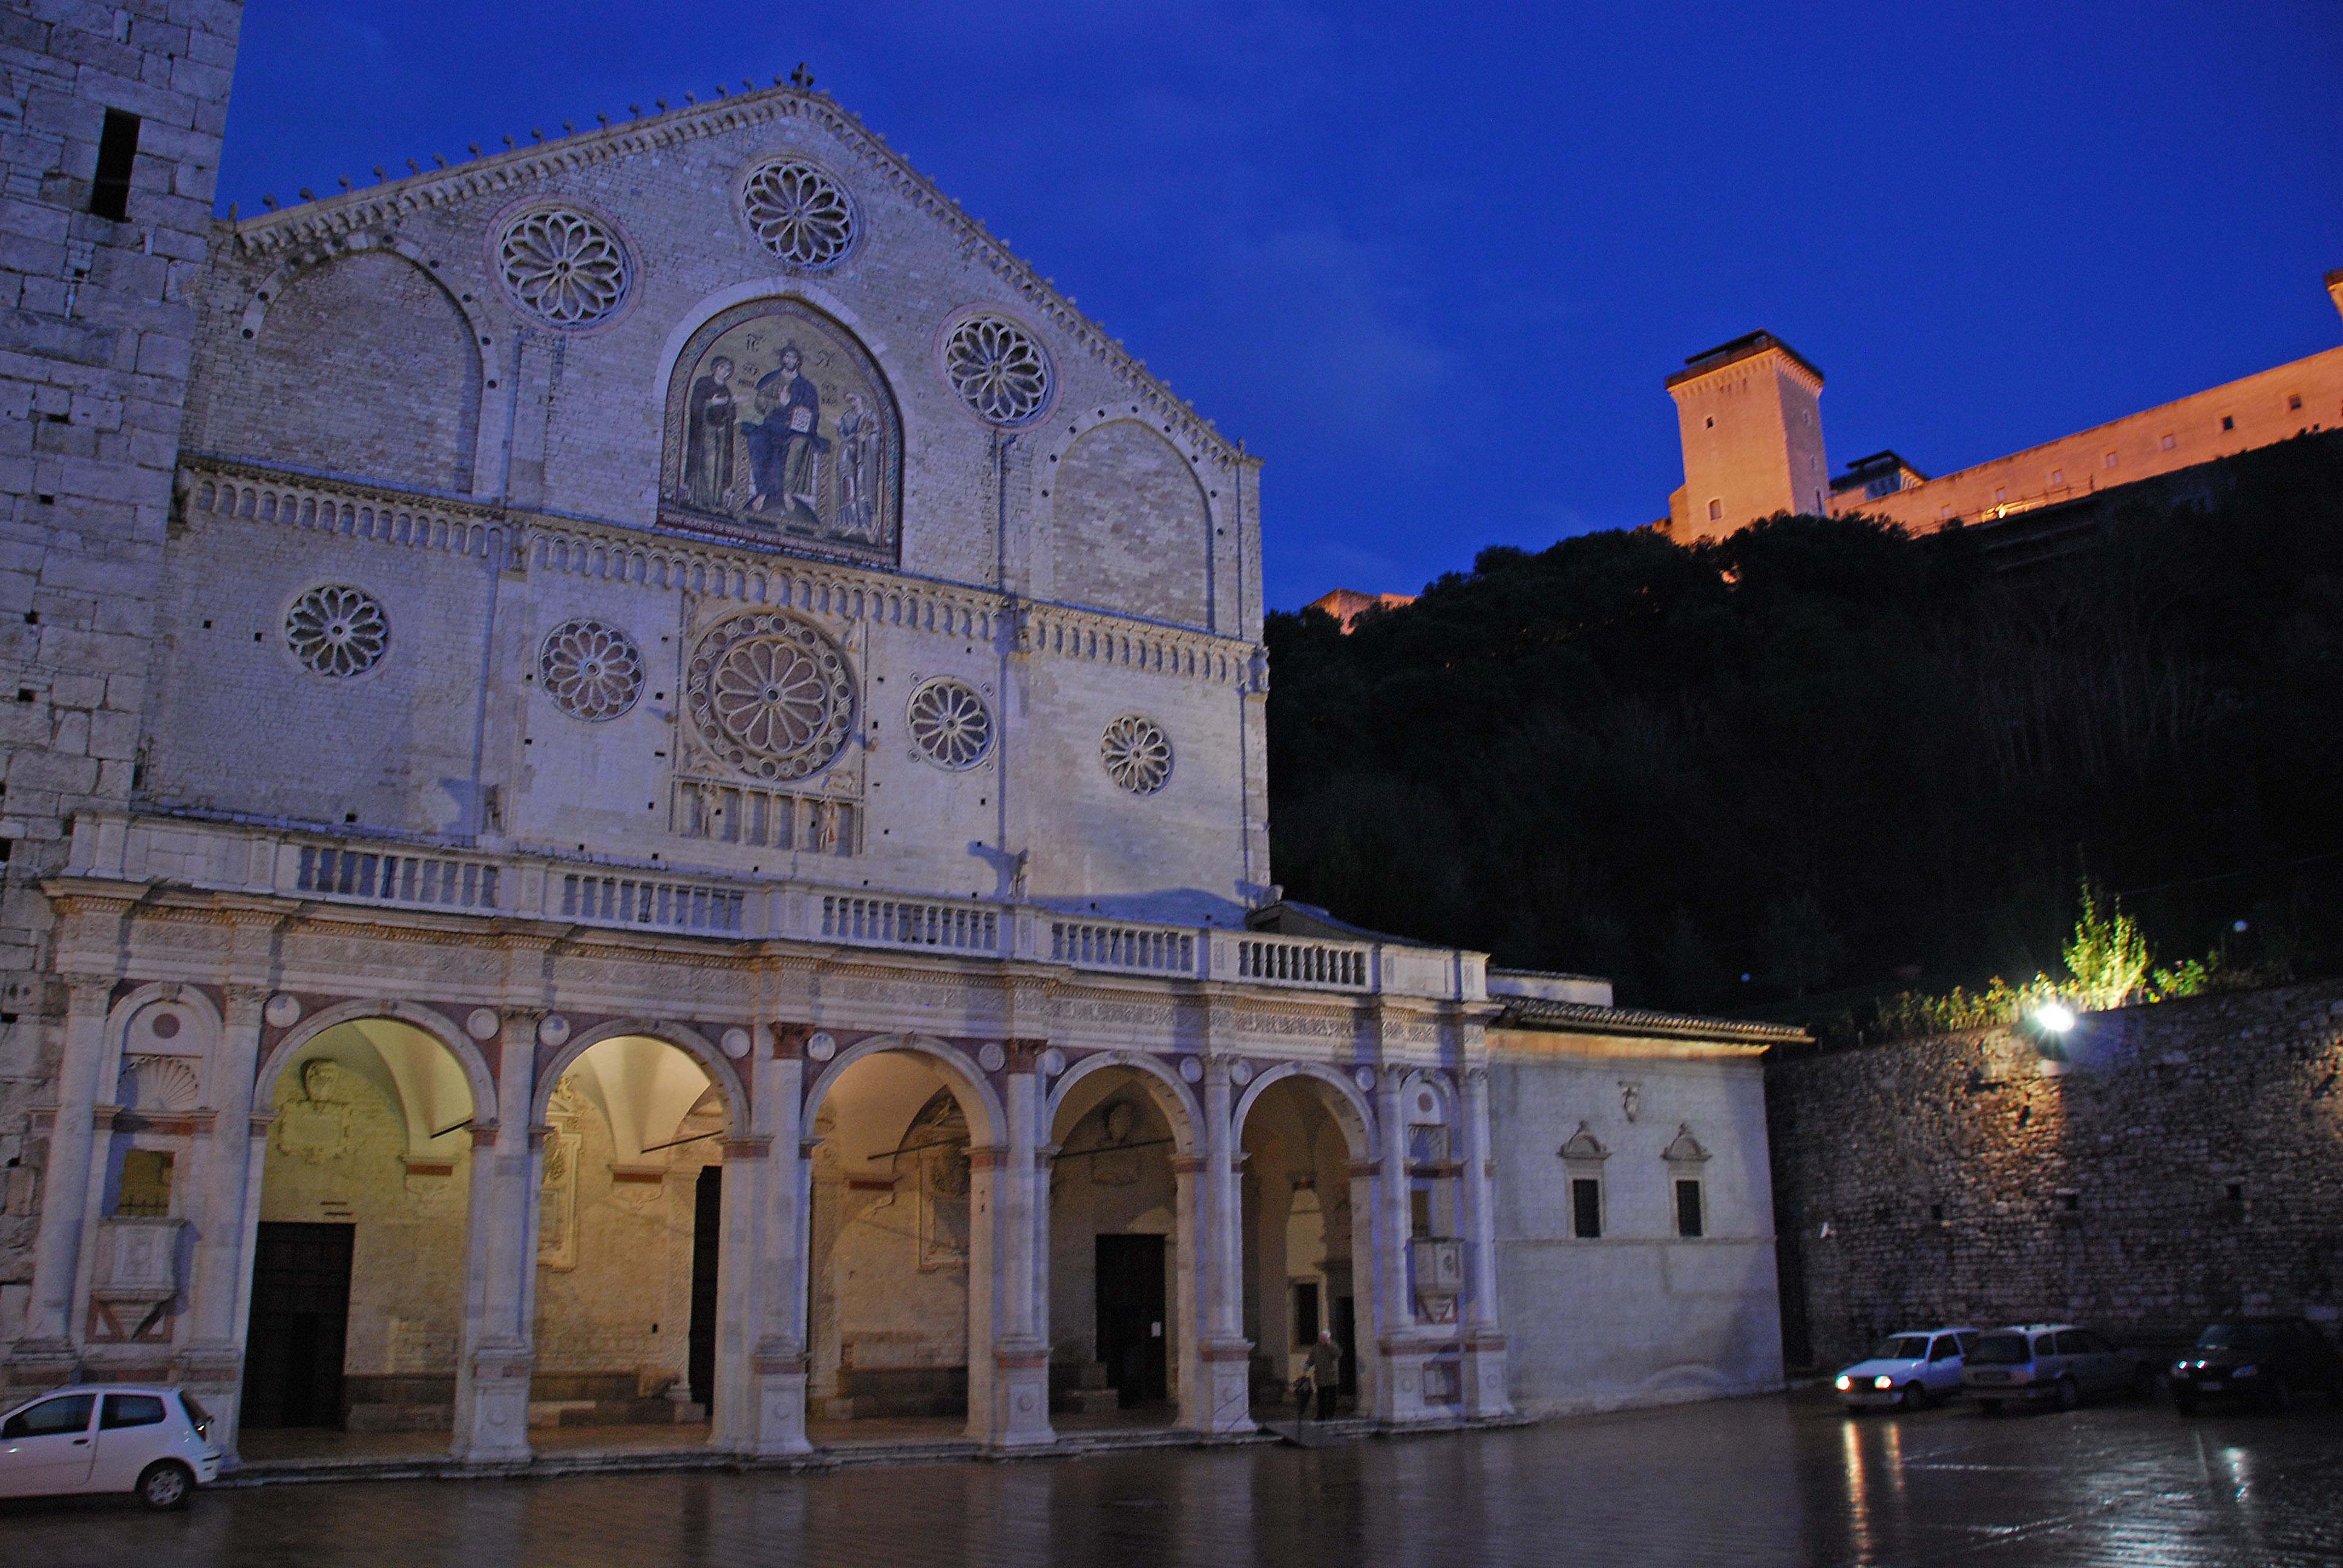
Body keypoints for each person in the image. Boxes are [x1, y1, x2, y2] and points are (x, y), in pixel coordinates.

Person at [1308, 1330, 1342, 1419]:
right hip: (1320, 1377)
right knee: (1321, 1398)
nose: (1323, 1340)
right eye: (1322, 1338)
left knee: (1332, 1398)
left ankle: (1331, 1415)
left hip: (1331, 1377)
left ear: (1328, 1338)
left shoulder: (1333, 1346)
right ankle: (1321, 1415)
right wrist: (1307, 1365)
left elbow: (1338, 1354)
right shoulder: (1316, 1347)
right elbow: (1311, 1359)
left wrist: (1329, 1345)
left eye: (1325, 1338)